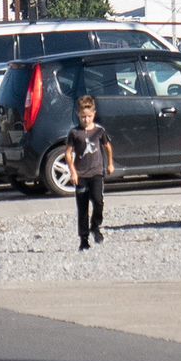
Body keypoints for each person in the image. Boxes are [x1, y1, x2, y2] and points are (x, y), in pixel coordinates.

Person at [65, 94, 114, 252]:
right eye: (83, 116)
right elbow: (68, 153)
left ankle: (96, 225)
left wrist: (110, 163)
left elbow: (107, 147)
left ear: (94, 114)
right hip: (81, 174)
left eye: (89, 116)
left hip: (96, 172)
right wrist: (72, 171)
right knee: (83, 207)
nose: (86, 119)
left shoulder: (99, 131)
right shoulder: (74, 133)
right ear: (78, 115)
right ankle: (84, 239)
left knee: (98, 201)